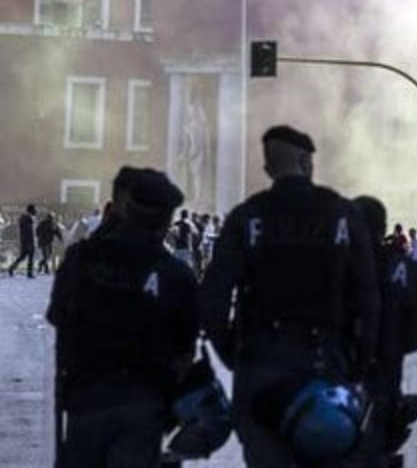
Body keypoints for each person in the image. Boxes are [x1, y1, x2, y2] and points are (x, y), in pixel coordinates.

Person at [199, 125, 380, 468]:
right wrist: (359, 360)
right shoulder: (341, 214)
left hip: (261, 365)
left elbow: (213, 299)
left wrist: (234, 354)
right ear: (307, 162)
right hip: (325, 363)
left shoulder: (248, 216)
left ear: (268, 168)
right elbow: (368, 298)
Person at [47, 169, 199, 467]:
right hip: (144, 405)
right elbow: (185, 351)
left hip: (85, 399)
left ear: (124, 209)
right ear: (166, 220)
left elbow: (57, 316)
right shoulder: (176, 275)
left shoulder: (80, 258)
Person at [353, 196, 417, 468]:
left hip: (338, 381)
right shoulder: (409, 270)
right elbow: (415, 337)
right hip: (385, 379)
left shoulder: (337, 264)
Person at [7, 204, 37, 278]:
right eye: (34, 210)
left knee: (22, 256)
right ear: (31, 210)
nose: (35, 211)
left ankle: (11, 268)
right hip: (28, 241)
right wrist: (30, 242)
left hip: (24, 241)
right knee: (30, 256)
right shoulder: (28, 219)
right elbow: (28, 232)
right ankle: (29, 273)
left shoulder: (25, 218)